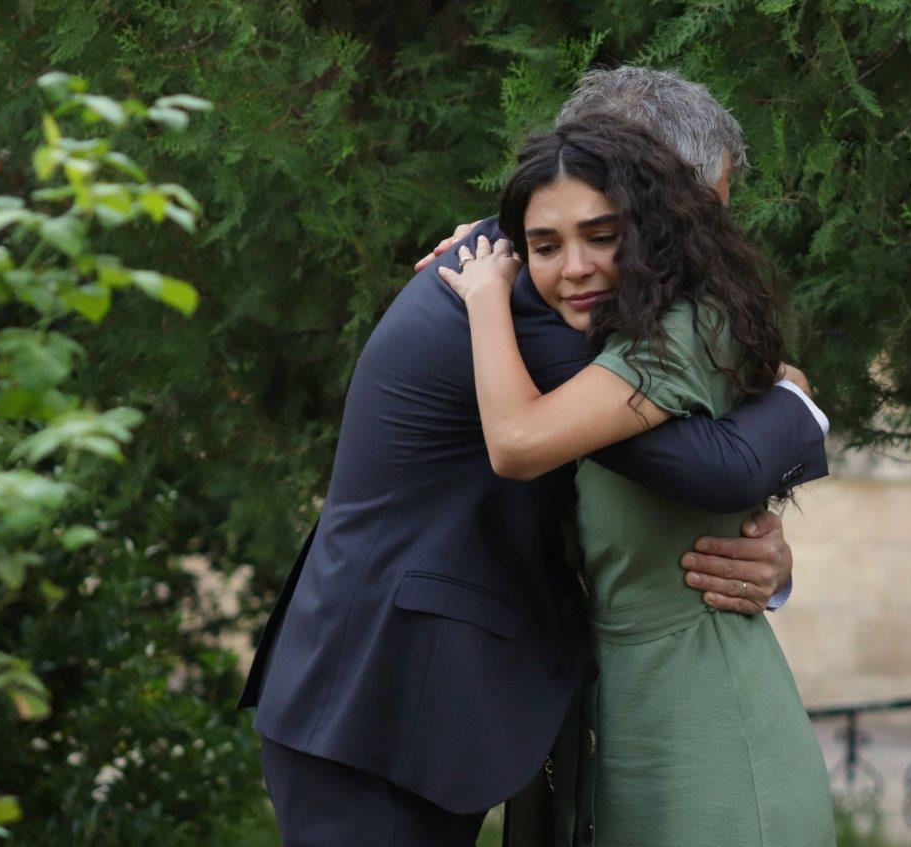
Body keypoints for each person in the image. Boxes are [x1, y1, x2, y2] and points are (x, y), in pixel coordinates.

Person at [238, 69, 831, 845]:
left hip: (409, 697)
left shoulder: (541, 273)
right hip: (379, 700)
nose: (705, 247)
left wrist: (770, 558)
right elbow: (715, 466)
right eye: (698, 213)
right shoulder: (537, 308)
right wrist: (796, 397)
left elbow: (670, 495)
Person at [440, 113, 835, 846]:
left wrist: (487, 293)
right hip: (607, 746)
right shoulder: (589, 337)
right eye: (549, 241)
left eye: (603, 235)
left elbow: (519, 443)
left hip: (711, 747)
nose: (577, 265)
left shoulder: (681, 328)